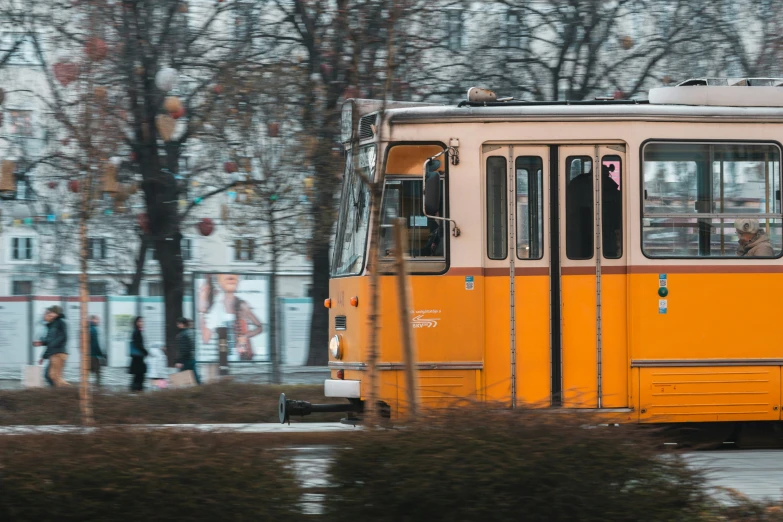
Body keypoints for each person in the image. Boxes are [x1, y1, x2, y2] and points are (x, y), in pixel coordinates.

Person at [198, 274, 262, 361]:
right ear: (219, 282)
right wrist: (202, 302)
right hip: (222, 357)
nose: (231, 280)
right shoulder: (216, 307)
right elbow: (205, 339)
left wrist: (246, 336)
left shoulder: (241, 305)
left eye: (234, 278)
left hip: (241, 357)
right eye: (227, 278)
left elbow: (260, 327)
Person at [37, 306, 69, 387]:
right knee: (51, 376)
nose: (47, 315)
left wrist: (51, 343)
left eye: (49, 313)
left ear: (55, 314)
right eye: (47, 313)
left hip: (58, 353)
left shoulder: (60, 322)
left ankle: (69, 391)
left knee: (54, 376)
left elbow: (63, 337)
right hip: (54, 353)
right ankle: (56, 393)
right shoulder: (51, 325)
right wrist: (43, 356)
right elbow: (49, 341)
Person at [175, 317, 200, 385]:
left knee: (181, 379)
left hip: (185, 360)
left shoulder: (183, 334)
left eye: (179, 324)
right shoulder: (190, 332)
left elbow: (183, 349)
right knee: (195, 377)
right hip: (191, 358)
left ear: (183, 324)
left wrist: (180, 361)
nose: (177, 325)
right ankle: (200, 389)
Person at [128, 316, 148, 392]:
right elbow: (138, 344)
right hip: (138, 357)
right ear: (136, 323)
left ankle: (136, 389)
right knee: (139, 375)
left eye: (142, 321)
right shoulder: (136, 332)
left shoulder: (138, 331)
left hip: (138, 356)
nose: (141, 323)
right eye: (139, 321)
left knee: (138, 375)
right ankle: (137, 389)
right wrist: (145, 352)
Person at [89, 315, 105, 387]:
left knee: (90, 370)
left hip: (89, 353)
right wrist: (100, 353)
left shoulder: (88, 328)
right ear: (92, 320)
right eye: (97, 319)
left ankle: (88, 386)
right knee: (98, 372)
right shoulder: (93, 329)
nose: (98, 321)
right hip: (93, 354)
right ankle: (98, 387)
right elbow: (95, 343)